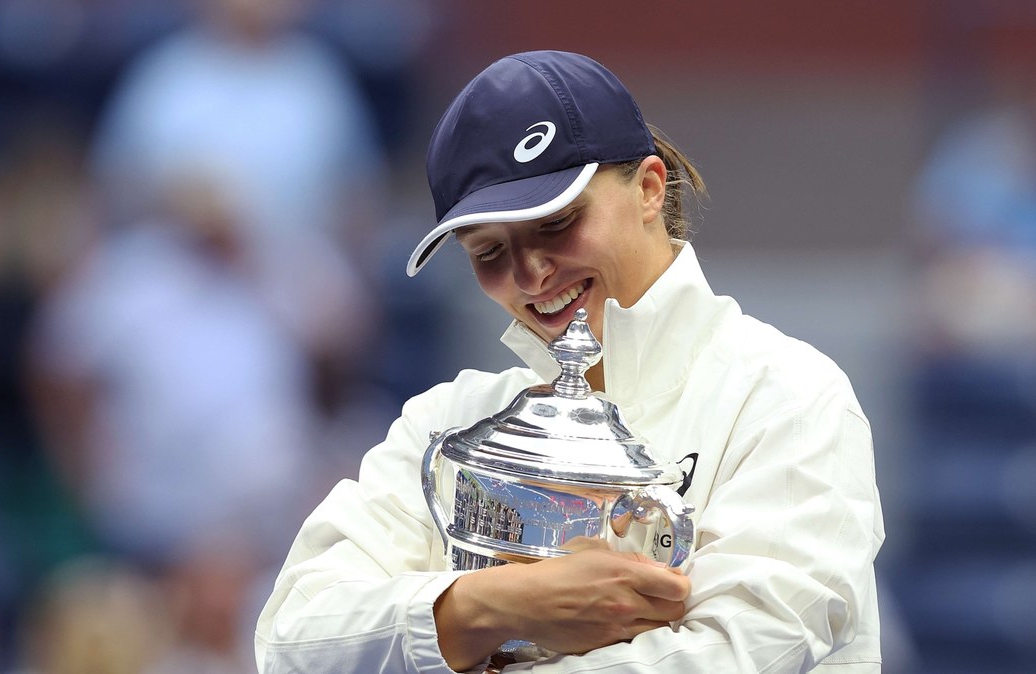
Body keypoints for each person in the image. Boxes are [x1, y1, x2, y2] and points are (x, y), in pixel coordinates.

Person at [255, 50, 885, 673]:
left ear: (647, 187)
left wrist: (463, 647)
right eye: (488, 251)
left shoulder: (787, 397)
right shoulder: (448, 421)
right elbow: (291, 643)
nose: (530, 274)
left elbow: (739, 652)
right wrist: (498, 604)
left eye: (556, 224)